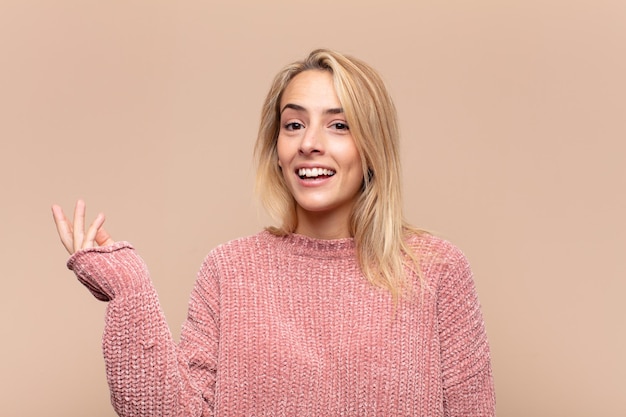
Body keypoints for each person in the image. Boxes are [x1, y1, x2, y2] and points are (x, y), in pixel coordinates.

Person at [52, 49, 496, 416]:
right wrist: (129, 291)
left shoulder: (437, 271)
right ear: (277, 148)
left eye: (339, 125)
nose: (309, 143)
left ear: (374, 148)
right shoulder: (229, 270)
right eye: (294, 124)